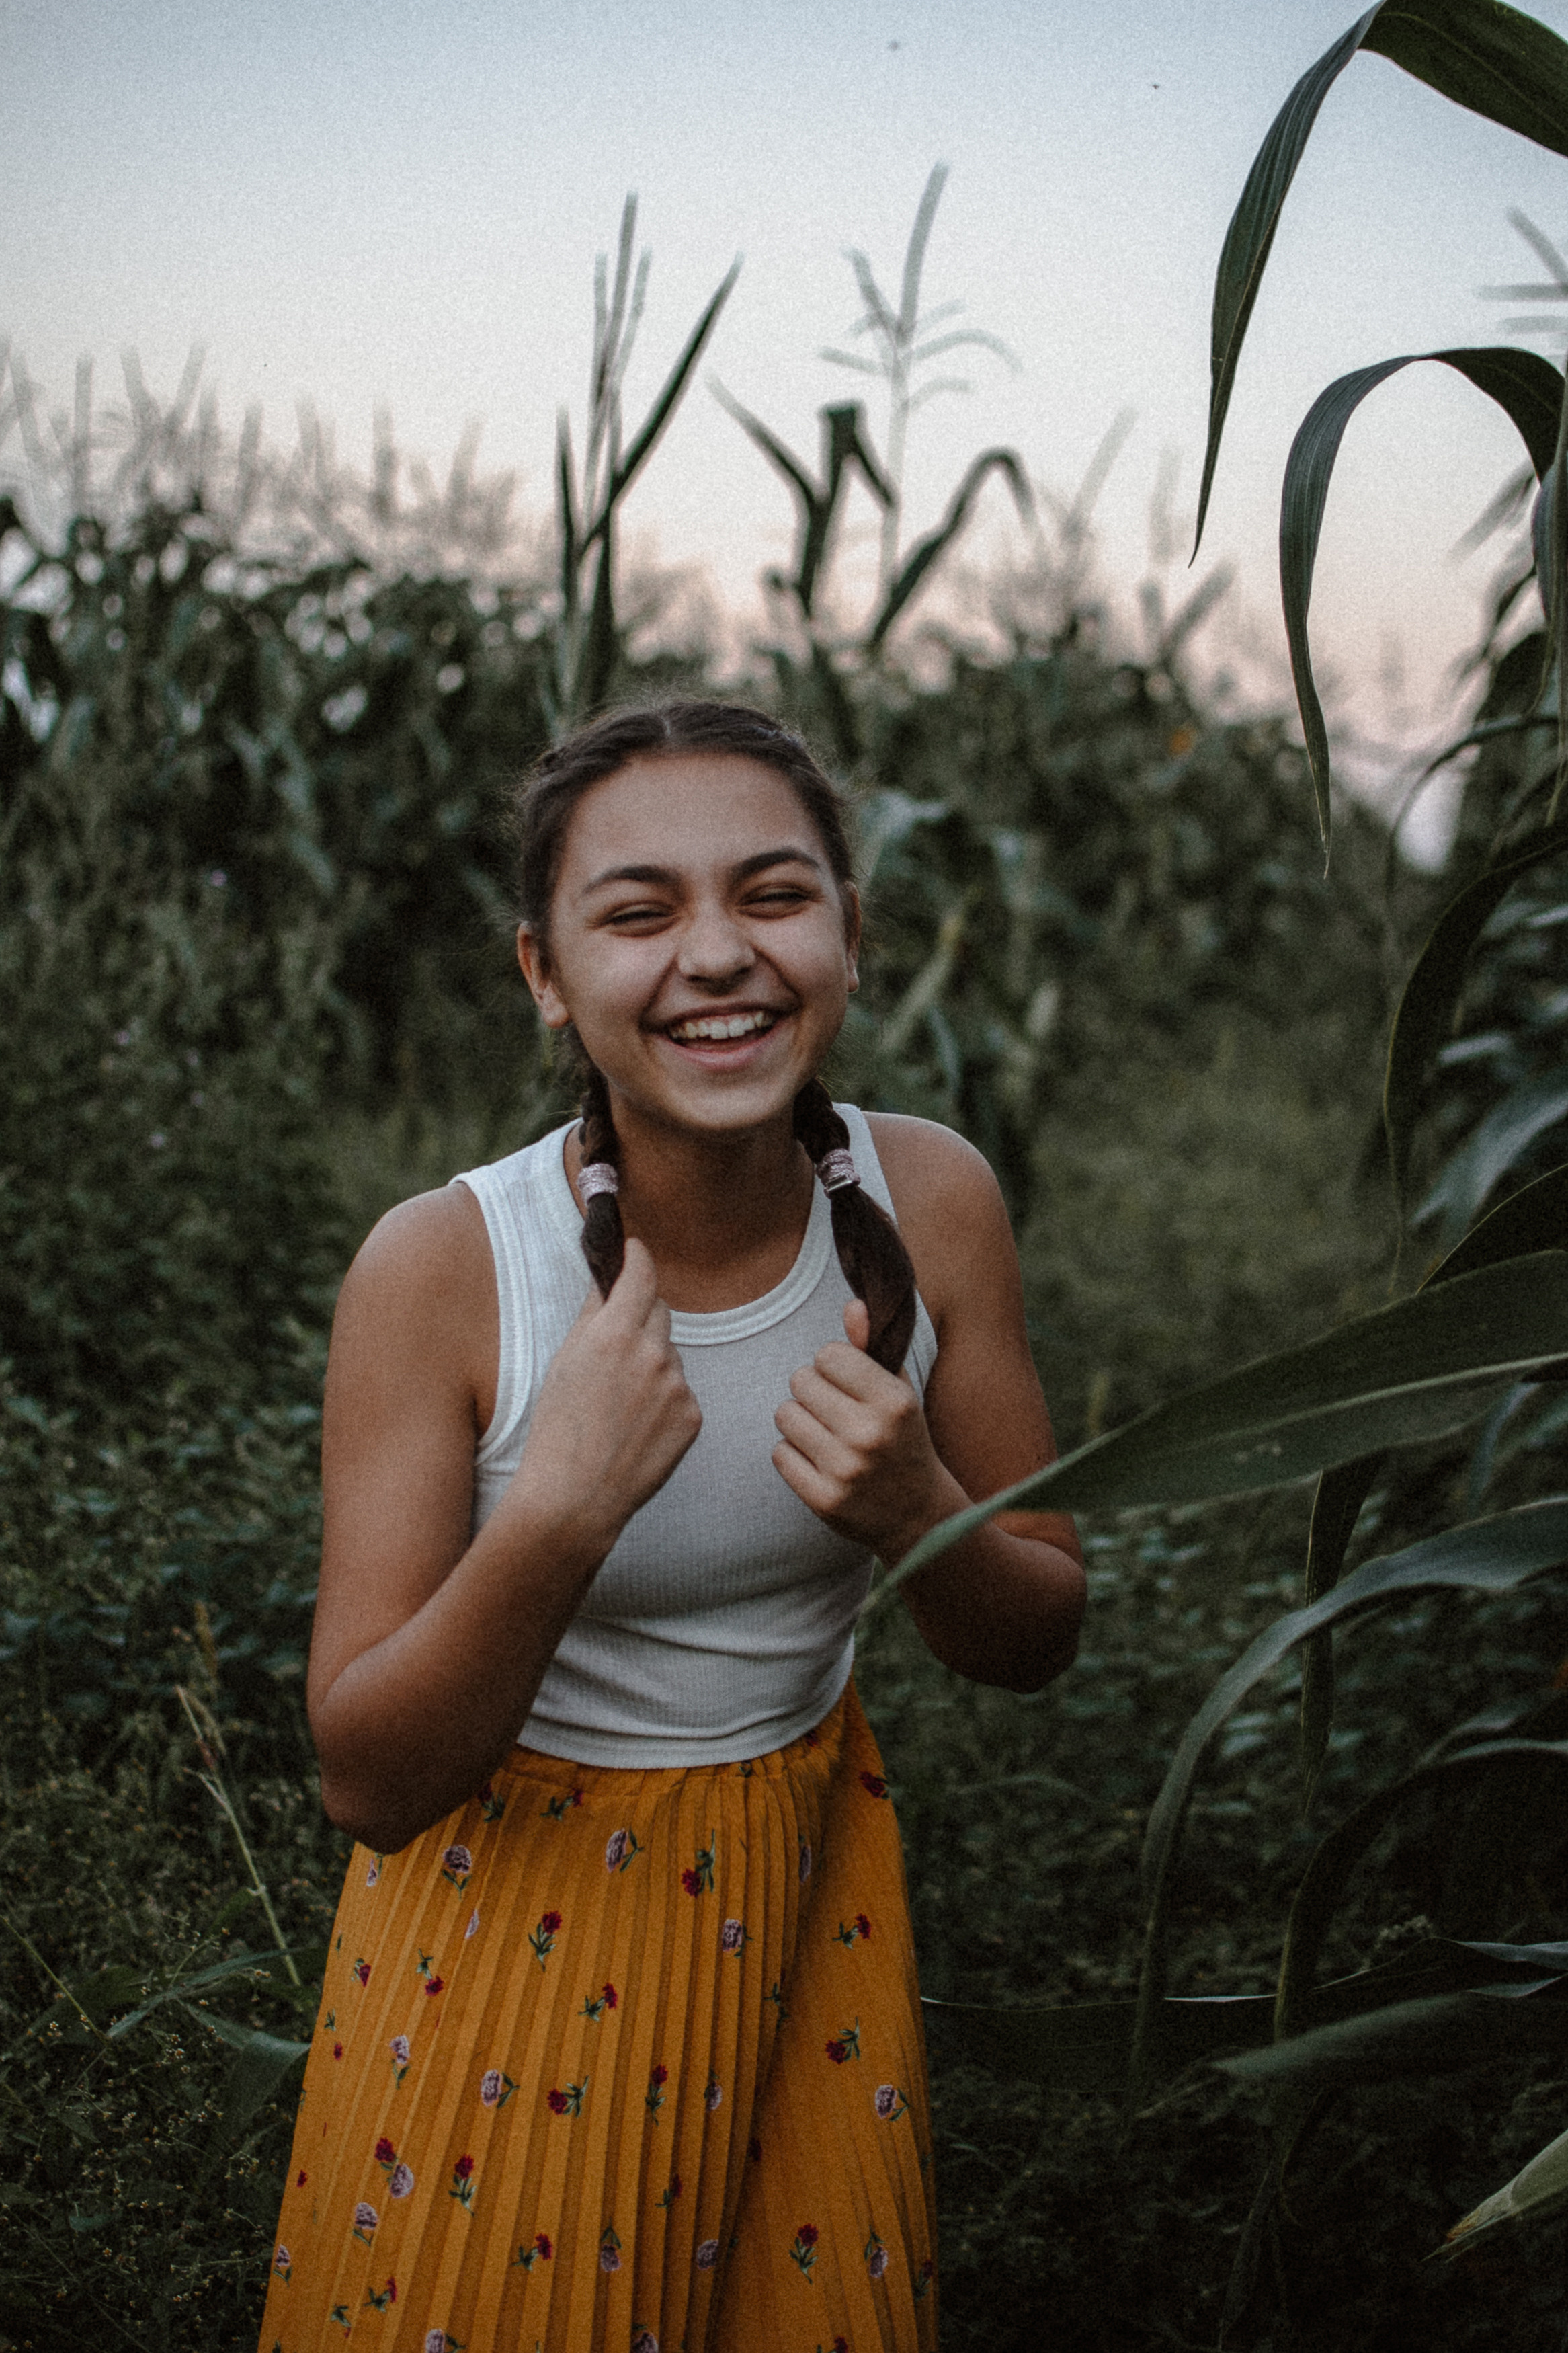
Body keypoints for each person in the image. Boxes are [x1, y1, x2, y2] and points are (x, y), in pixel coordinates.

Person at [258, 699, 1084, 2353]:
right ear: (546, 974)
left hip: (800, 1902)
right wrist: (555, 1514)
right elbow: (367, 1774)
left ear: (851, 929)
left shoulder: (930, 1202)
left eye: (775, 895)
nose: (719, 955)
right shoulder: (446, 1270)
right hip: (504, 1938)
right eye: (638, 914)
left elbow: (1040, 1632)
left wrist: (922, 1508)